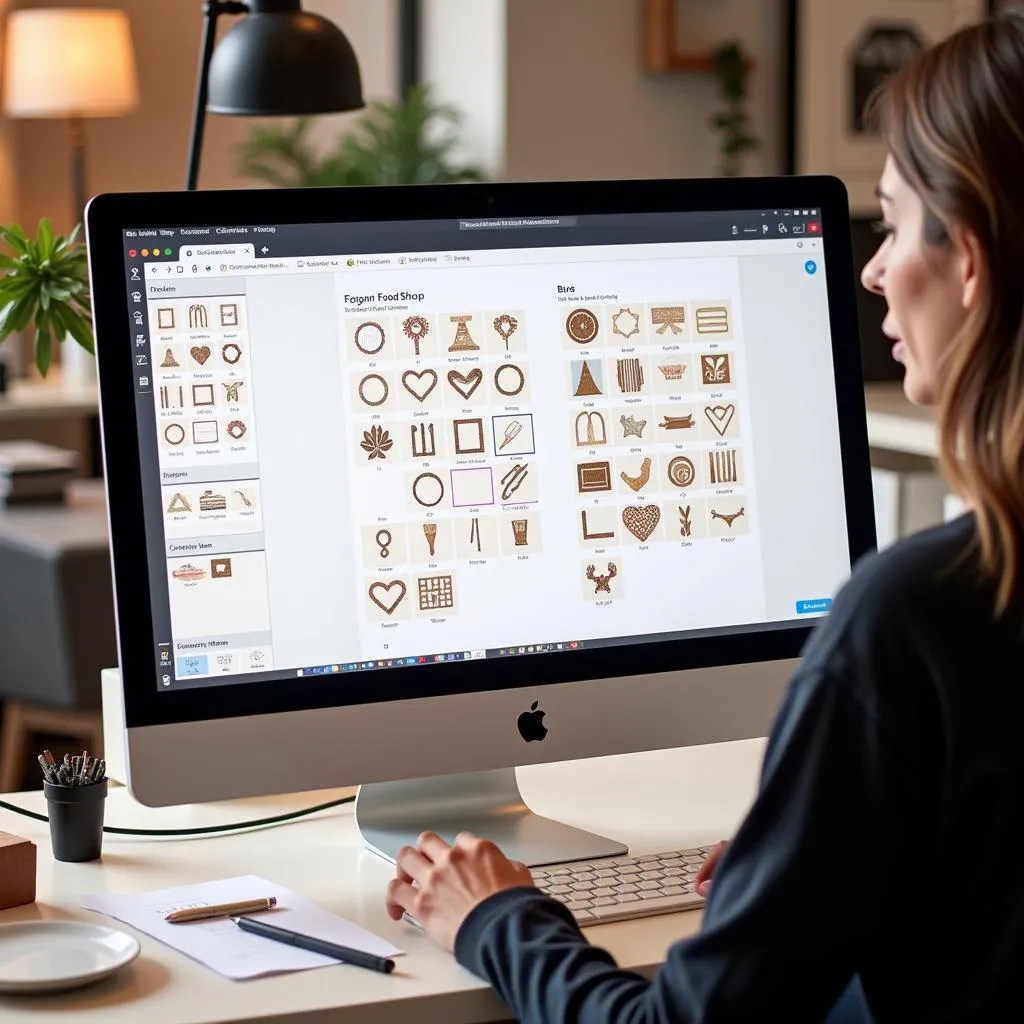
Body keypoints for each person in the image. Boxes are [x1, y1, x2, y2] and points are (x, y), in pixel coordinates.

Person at [385, 11, 1024, 1021]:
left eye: (893, 223)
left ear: (972, 262)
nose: (869, 269)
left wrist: (499, 918)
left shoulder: (917, 617)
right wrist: (821, 864)